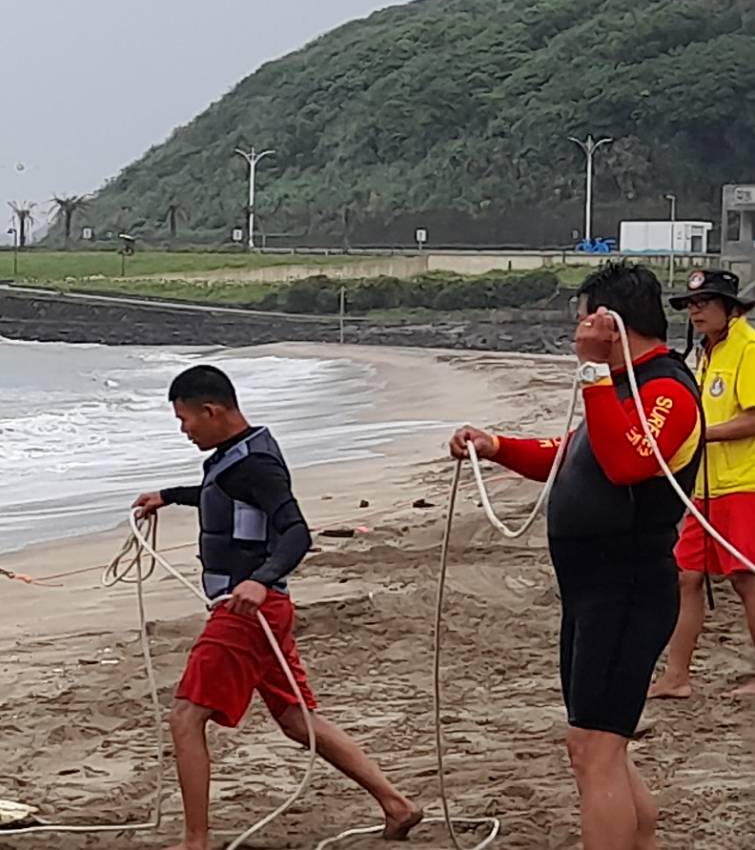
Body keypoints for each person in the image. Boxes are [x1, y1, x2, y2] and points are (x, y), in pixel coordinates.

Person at [448, 261, 700, 850]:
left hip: (629, 587)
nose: (576, 331)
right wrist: (496, 446)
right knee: (595, 744)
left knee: (597, 749)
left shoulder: (665, 388)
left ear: (607, 322)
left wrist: (590, 371)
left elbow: (626, 462)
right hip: (591, 591)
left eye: (584, 319)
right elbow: (572, 453)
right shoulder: (617, 389)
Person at [133, 365, 420, 850]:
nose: (184, 430)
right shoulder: (235, 455)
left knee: (185, 718)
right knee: (294, 720)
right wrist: (170, 496)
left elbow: (295, 531)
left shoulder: (257, 464)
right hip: (267, 613)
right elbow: (223, 496)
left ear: (212, 410)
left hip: (248, 612)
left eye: (186, 420)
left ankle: (195, 842)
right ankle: (397, 804)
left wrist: (261, 582)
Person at [649, 269, 755, 699]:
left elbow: (753, 417)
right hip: (705, 490)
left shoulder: (747, 348)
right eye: (691, 304)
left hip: (743, 484)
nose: (694, 310)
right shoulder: (707, 352)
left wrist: (698, 435)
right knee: (686, 576)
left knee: (745, 579)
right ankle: (677, 676)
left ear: (730, 308)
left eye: (704, 303)